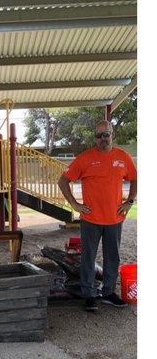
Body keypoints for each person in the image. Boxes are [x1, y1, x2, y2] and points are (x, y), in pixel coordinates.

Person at [57, 121, 137, 311]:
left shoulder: (123, 157)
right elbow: (63, 181)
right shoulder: (85, 158)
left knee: (112, 257)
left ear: (113, 134)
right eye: (99, 136)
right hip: (91, 219)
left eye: (106, 134)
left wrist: (129, 202)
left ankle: (108, 293)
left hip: (114, 219)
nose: (103, 139)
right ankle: (89, 295)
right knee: (88, 258)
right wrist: (75, 204)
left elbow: (134, 179)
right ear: (95, 138)